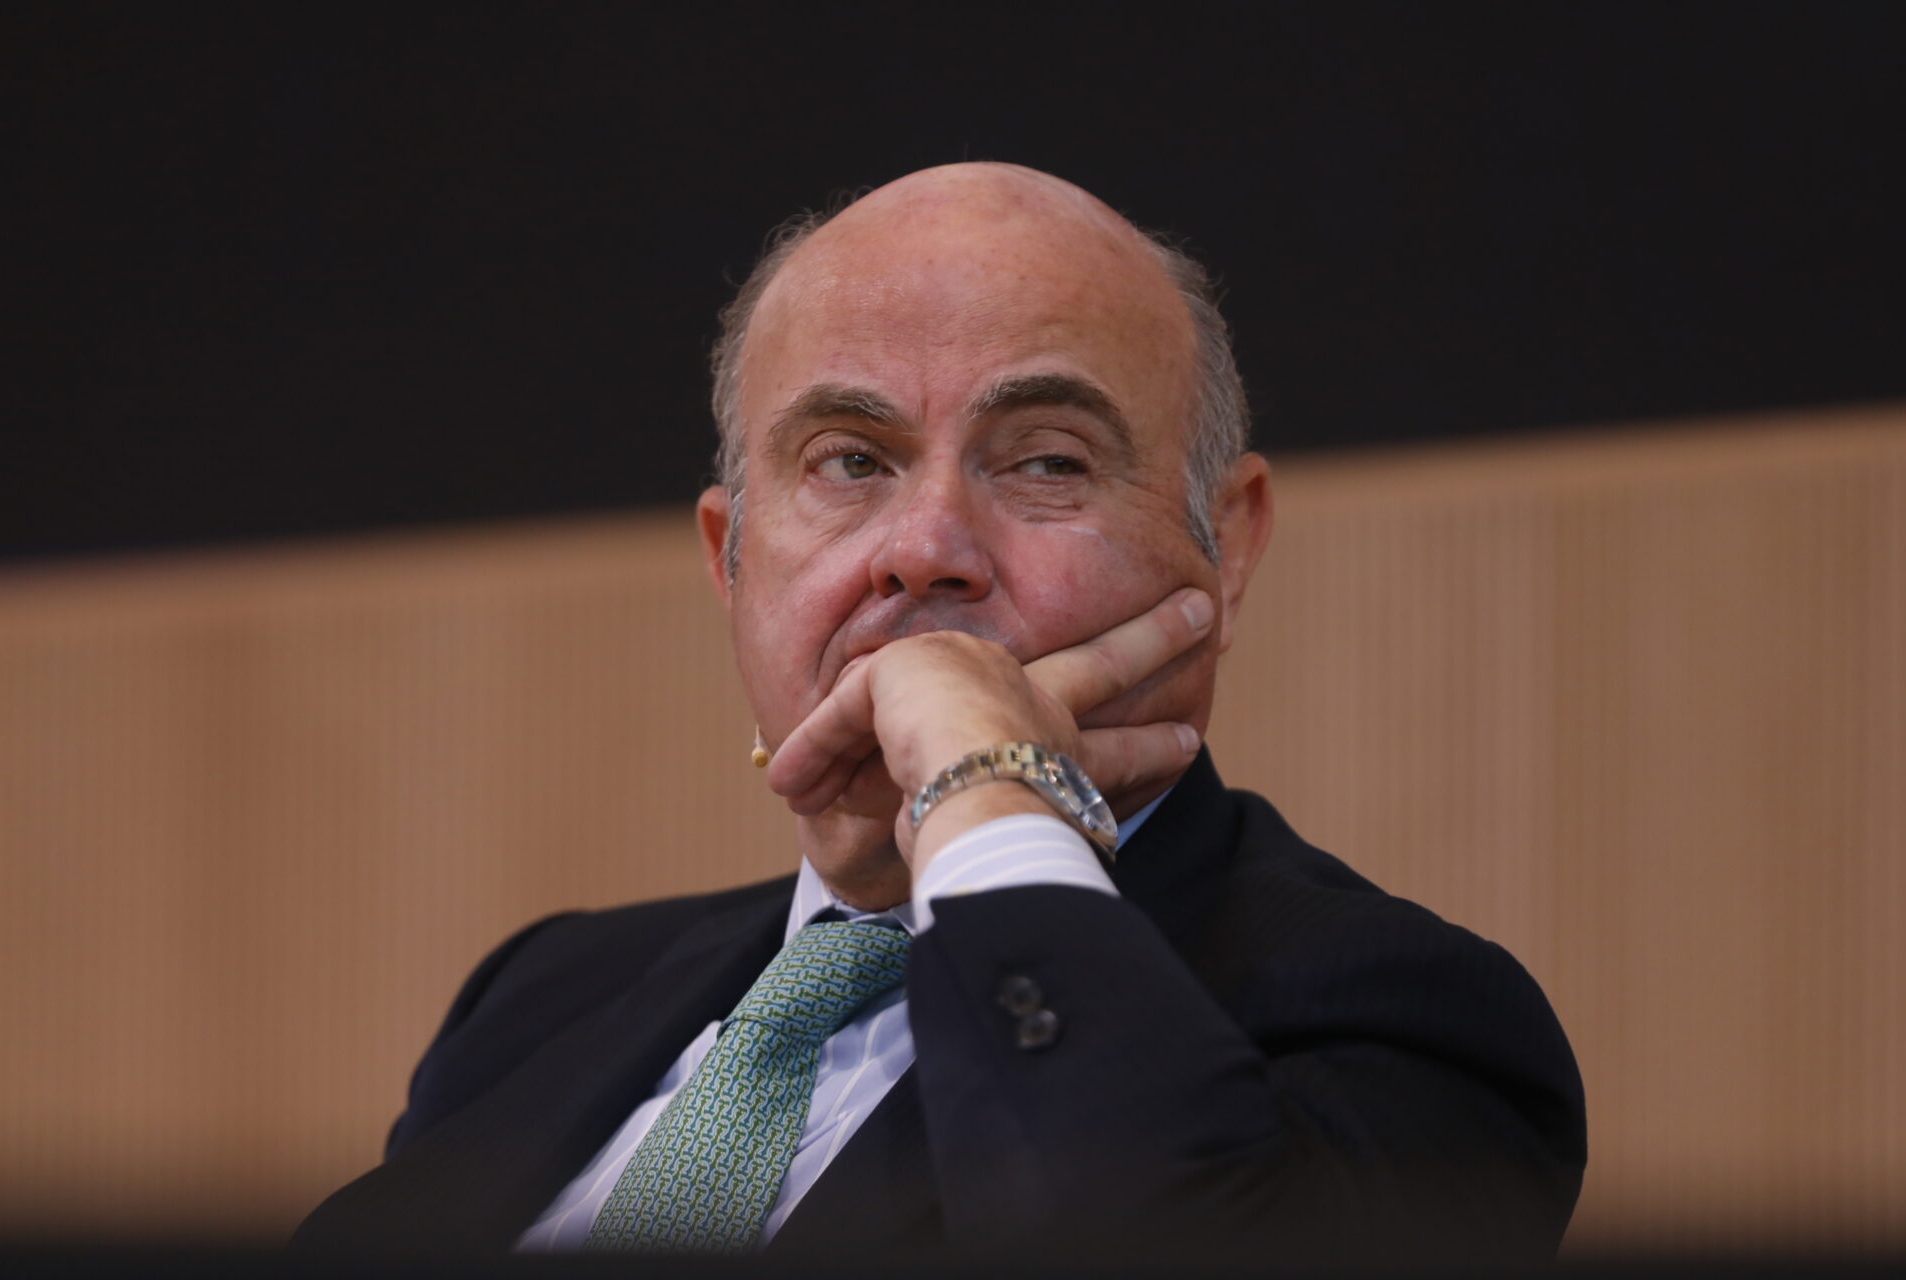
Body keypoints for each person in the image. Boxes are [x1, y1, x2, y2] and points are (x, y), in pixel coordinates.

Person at [294, 163, 1586, 1265]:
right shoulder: (545, 992)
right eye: (851, 462)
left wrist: (986, 784)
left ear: (1227, 548)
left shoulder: (1407, 1019)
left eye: (1047, 461)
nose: (924, 548)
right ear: (727, 560)